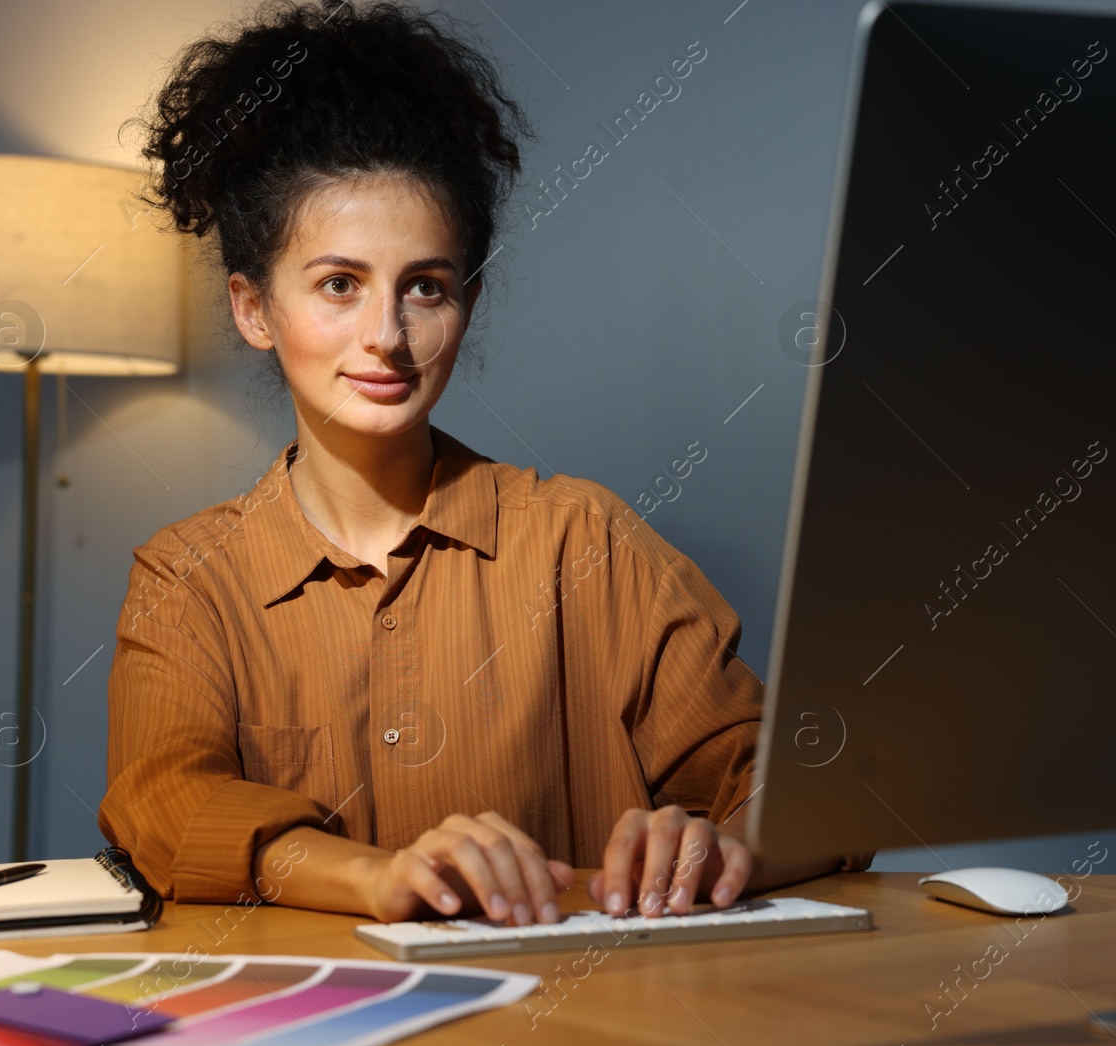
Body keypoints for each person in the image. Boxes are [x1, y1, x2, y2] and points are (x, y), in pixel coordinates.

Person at [99, 0, 858, 927]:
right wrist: (376, 877)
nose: (387, 337)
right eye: (339, 284)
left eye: (426, 286)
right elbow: (166, 811)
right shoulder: (185, 581)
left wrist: (723, 847)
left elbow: (814, 784)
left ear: (468, 300)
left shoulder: (588, 540)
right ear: (255, 308)